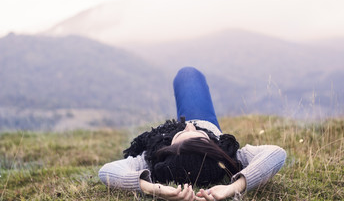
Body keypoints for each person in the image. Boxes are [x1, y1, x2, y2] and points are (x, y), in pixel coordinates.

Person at [99, 67, 286, 200]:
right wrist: (233, 188)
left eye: (180, 135)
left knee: (186, 74)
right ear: (213, 146)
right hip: (203, 116)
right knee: (190, 74)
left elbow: (107, 171)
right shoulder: (226, 155)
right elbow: (277, 153)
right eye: (198, 135)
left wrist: (156, 189)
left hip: (161, 138)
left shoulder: (154, 160)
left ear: (169, 149)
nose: (189, 126)